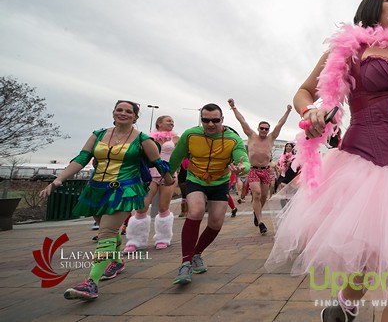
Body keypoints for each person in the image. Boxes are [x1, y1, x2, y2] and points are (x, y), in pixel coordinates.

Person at [265, 0, 388, 322]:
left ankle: (344, 306)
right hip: (361, 164)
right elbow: (305, 91)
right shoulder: (349, 49)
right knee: (370, 257)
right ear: (372, 8)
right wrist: (310, 111)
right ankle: (347, 304)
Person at [39, 100, 173, 301]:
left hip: (124, 190)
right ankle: (116, 261)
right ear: (113, 113)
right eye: (119, 110)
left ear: (136, 117)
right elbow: (81, 158)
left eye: (129, 111)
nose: (123, 113)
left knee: (106, 233)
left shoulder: (143, 139)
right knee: (107, 230)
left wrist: (170, 180)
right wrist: (58, 180)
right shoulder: (98, 135)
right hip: (96, 190)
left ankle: (91, 283)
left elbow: (158, 163)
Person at [168, 103, 249, 285]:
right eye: (206, 120)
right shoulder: (190, 135)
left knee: (216, 222)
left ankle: (196, 253)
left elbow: (243, 159)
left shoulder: (233, 139)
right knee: (195, 211)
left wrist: (242, 168)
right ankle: (186, 263)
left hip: (219, 182)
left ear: (222, 120)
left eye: (215, 120)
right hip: (196, 179)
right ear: (201, 120)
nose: (210, 124)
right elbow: (176, 157)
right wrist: (166, 176)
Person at [227, 98, 292, 235]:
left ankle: (256, 213)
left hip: (266, 171)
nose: (263, 130)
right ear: (258, 128)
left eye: (266, 129)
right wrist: (233, 107)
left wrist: (287, 111)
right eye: (261, 128)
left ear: (268, 130)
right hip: (254, 170)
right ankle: (261, 222)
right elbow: (242, 121)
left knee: (262, 197)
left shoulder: (271, 138)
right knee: (256, 194)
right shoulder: (251, 135)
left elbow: (280, 124)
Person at [123, 115, 179, 252]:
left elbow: (180, 155)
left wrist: (176, 171)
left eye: (172, 121)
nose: (172, 123)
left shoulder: (176, 138)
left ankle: (163, 238)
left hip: (168, 175)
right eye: (168, 121)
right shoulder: (148, 138)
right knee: (141, 207)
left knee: (163, 207)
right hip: (150, 174)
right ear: (159, 123)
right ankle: (135, 240)